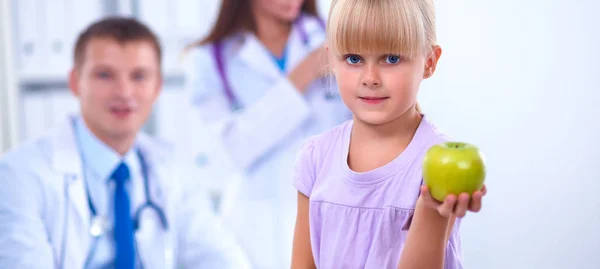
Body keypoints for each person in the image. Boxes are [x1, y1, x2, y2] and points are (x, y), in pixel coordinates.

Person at [0, 17, 250, 269]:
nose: (124, 92)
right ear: (76, 82)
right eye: (105, 75)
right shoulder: (18, 176)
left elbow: (219, 257)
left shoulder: (172, 166)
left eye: (139, 76)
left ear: (157, 87)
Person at [290, 0, 488, 268]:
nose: (370, 78)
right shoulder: (315, 157)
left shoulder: (435, 162)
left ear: (429, 62)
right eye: (354, 59)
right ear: (332, 60)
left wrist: (432, 210)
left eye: (391, 58)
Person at [182, 0, 350, 268]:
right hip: (254, 228)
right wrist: (305, 71)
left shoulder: (340, 42)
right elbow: (235, 149)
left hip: (333, 215)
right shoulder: (208, 60)